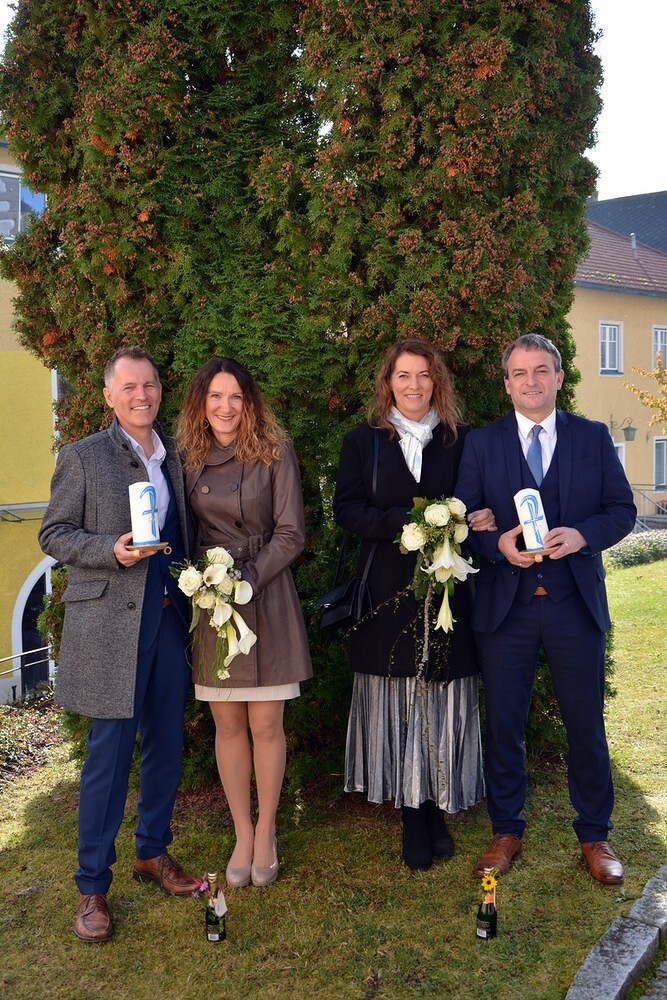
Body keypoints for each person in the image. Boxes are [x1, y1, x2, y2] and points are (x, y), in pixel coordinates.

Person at [455, 333, 636, 884]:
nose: (530, 381)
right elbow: (463, 521)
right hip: (505, 609)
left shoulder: (591, 437)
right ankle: (506, 830)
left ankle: (595, 834)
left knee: (586, 724)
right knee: (504, 724)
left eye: (540, 371)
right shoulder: (482, 444)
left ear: (559, 378)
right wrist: (495, 544)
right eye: (519, 372)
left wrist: (582, 536)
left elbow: (622, 510)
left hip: (573, 606)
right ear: (506, 383)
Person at [38, 346, 198, 943]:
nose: (141, 395)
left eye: (149, 385)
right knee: (108, 758)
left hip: (168, 621)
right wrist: (110, 550)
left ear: (160, 390)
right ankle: (92, 886)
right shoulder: (82, 457)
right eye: (129, 387)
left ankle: (152, 852)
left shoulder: (176, 454)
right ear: (109, 396)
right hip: (109, 628)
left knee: (166, 745)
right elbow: (54, 533)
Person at [333, 338, 494, 871]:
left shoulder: (461, 439)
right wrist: (408, 524)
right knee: (399, 696)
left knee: (440, 693)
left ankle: (435, 807)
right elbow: (346, 509)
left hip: (448, 588)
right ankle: (410, 811)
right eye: (403, 375)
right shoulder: (363, 441)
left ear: (436, 382)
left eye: (424, 375)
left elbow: (478, 503)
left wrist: (471, 519)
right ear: (388, 383)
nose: (414, 385)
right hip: (386, 589)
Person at [176, 357, 312, 888]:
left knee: (267, 725)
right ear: (201, 403)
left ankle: (267, 832)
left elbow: (291, 532)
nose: (225, 407)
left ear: (249, 402)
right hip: (213, 602)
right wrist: (202, 581)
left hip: (266, 594)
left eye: (235, 396)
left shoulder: (275, 451)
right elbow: (180, 529)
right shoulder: (186, 457)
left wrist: (248, 579)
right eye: (215, 396)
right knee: (228, 724)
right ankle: (241, 832)